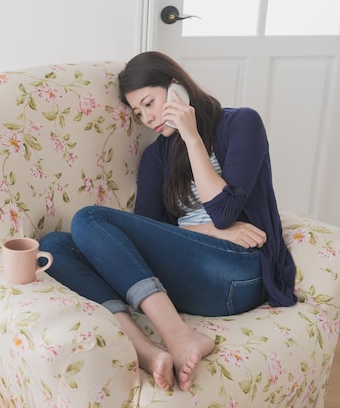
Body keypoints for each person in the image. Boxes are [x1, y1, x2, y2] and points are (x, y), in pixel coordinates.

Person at [39, 51, 297, 392]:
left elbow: (224, 212)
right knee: (55, 246)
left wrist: (191, 136)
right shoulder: (156, 156)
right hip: (188, 279)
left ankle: (179, 336)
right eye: (138, 112)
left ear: (177, 88)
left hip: (239, 271)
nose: (147, 118)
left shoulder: (242, 123)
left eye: (150, 102)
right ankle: (144, 350)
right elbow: (146, 237)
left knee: (90, 218)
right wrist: (203, 228)